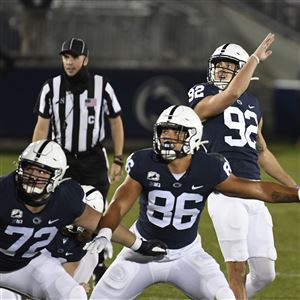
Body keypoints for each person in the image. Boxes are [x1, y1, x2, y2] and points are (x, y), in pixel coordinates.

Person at [89, 105, 300, 300]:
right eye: (164, 132)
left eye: (176, 133)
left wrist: (297, 194)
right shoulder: (144, 162)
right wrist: (107, 230)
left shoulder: (210, 167)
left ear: (193, 136)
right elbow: (119, 203)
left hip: (187, 255)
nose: (168, 139)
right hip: (141, 251)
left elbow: (259, 189)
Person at [187, 33, 298, 299]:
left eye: (229, 66)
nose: (222, 70)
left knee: (265, 273)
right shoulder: (202, 92)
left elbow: (262, 151)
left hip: (255, 190)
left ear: (241, 71)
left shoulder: (253, 103)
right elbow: (232, 92)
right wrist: (255, 58)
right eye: (219, 65)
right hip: (225, 189)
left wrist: (292, 185)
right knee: (236, 271)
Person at [0, 140, 167, 300]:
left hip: (28, 263)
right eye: (30, 169)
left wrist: (140, 244)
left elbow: (98, 222)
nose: (34, 177)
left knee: (73, 294)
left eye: (42, 171)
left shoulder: (66, 198)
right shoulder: (4, 191)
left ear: (57, 175)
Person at [32, 37, 124, 282]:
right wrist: (37, 159)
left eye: (74, 57)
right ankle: (57, 259)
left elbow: (116, 121)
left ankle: (97, 262)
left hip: (93, 158)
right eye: (65, 57)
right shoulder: (51, 87)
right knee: (61, 211)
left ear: (86, 59)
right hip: (63, 160)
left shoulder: (101, 86)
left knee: (95, 211)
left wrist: (118, 158)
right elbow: (42, 126)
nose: (69, 62)